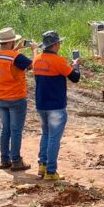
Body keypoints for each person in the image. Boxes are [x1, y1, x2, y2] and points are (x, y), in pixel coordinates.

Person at [32, 30, 80, 181]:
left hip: (41, 104)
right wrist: (76, 66)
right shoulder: (58, 61)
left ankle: (43, 165)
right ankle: (51, 172)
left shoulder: (37, 59)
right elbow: (75, 78)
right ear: (55, 44)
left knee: (46, 134)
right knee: (54, 138)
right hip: (56, 106)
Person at [0, 27, 33, 171]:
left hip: (0, 97)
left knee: (5, 129)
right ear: (12, 42)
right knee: (16, 130)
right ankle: (16, 160)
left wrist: (17, 49)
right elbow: (32, 65)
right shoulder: (15, 57)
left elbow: (7, 60)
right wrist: (34, 50)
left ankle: (4, 160)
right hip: (16, 97)